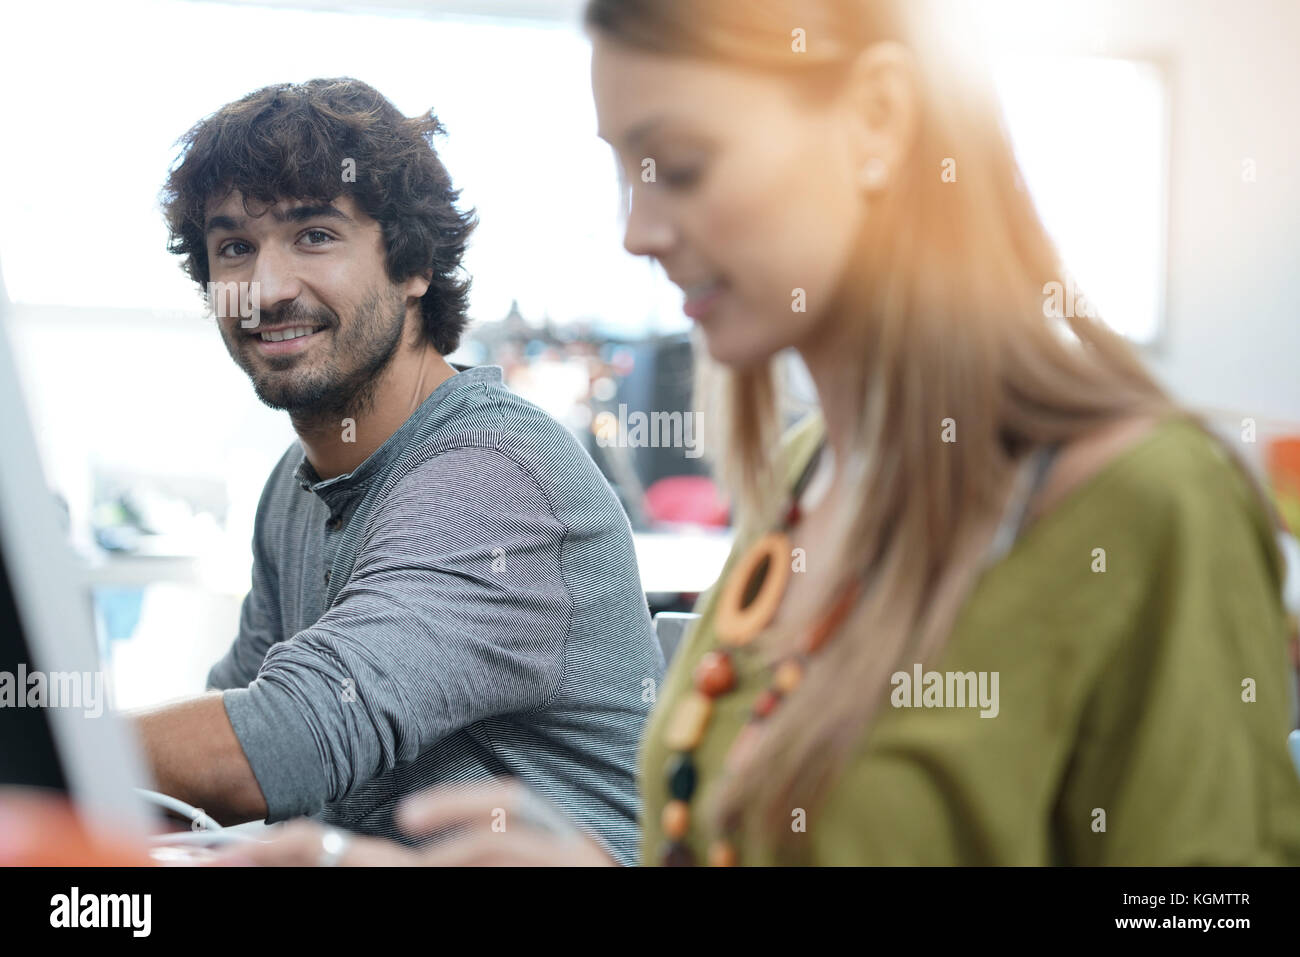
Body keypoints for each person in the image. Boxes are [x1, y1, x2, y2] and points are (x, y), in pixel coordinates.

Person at [223, 0, 1300, 866]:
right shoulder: (810, 476)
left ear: (876, 123)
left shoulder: (1145, 504)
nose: (638, 230)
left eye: (681, 165)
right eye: (623, 170)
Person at [131, 78, 663, 865]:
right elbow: (219, 742)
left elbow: (288, 739)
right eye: (235, 247)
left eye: (314, 235)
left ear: (412, 265)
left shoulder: (495, 475)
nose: (268, 290)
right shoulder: (295, 484)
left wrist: (40, 744)